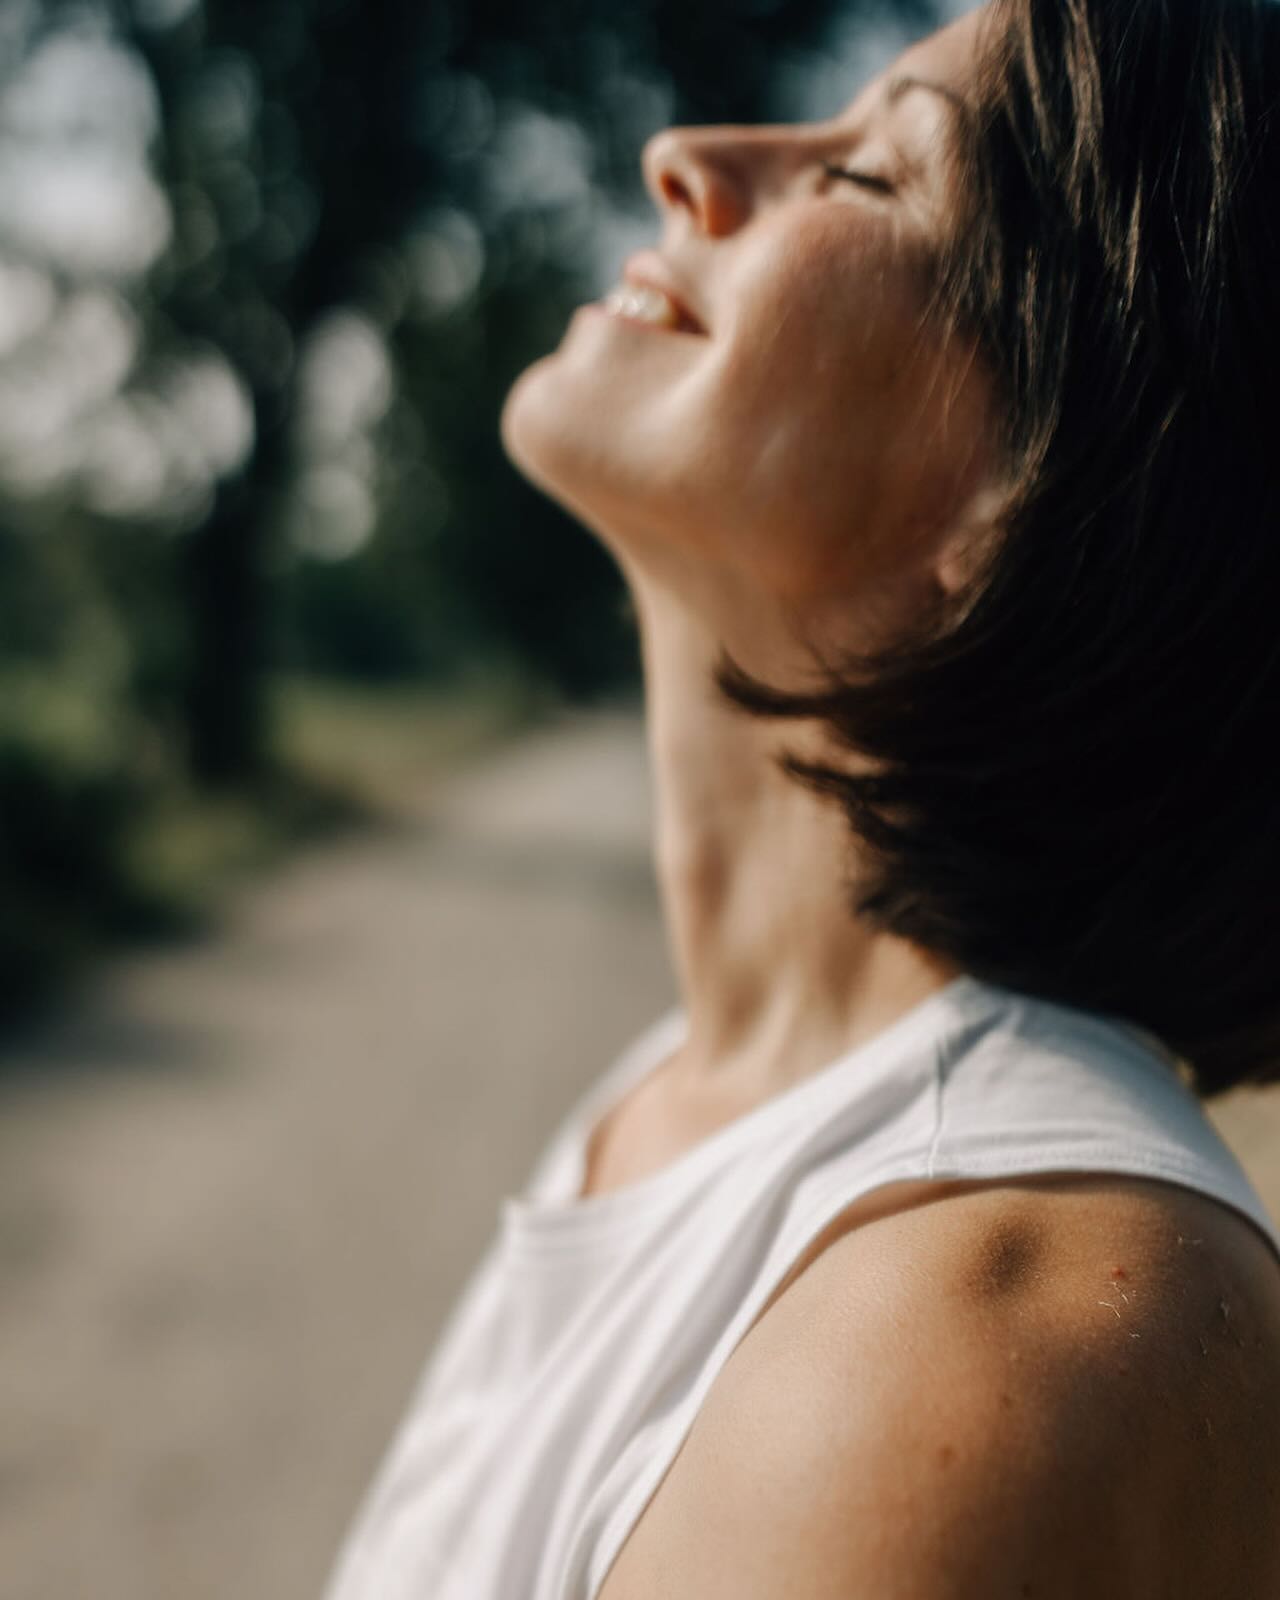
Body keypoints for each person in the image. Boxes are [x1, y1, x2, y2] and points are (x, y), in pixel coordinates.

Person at [323, 1, 1280, 1594]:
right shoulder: (693, 1103)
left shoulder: (991, 1320)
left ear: (1043, 487)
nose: (686, 158)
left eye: (868, 174)